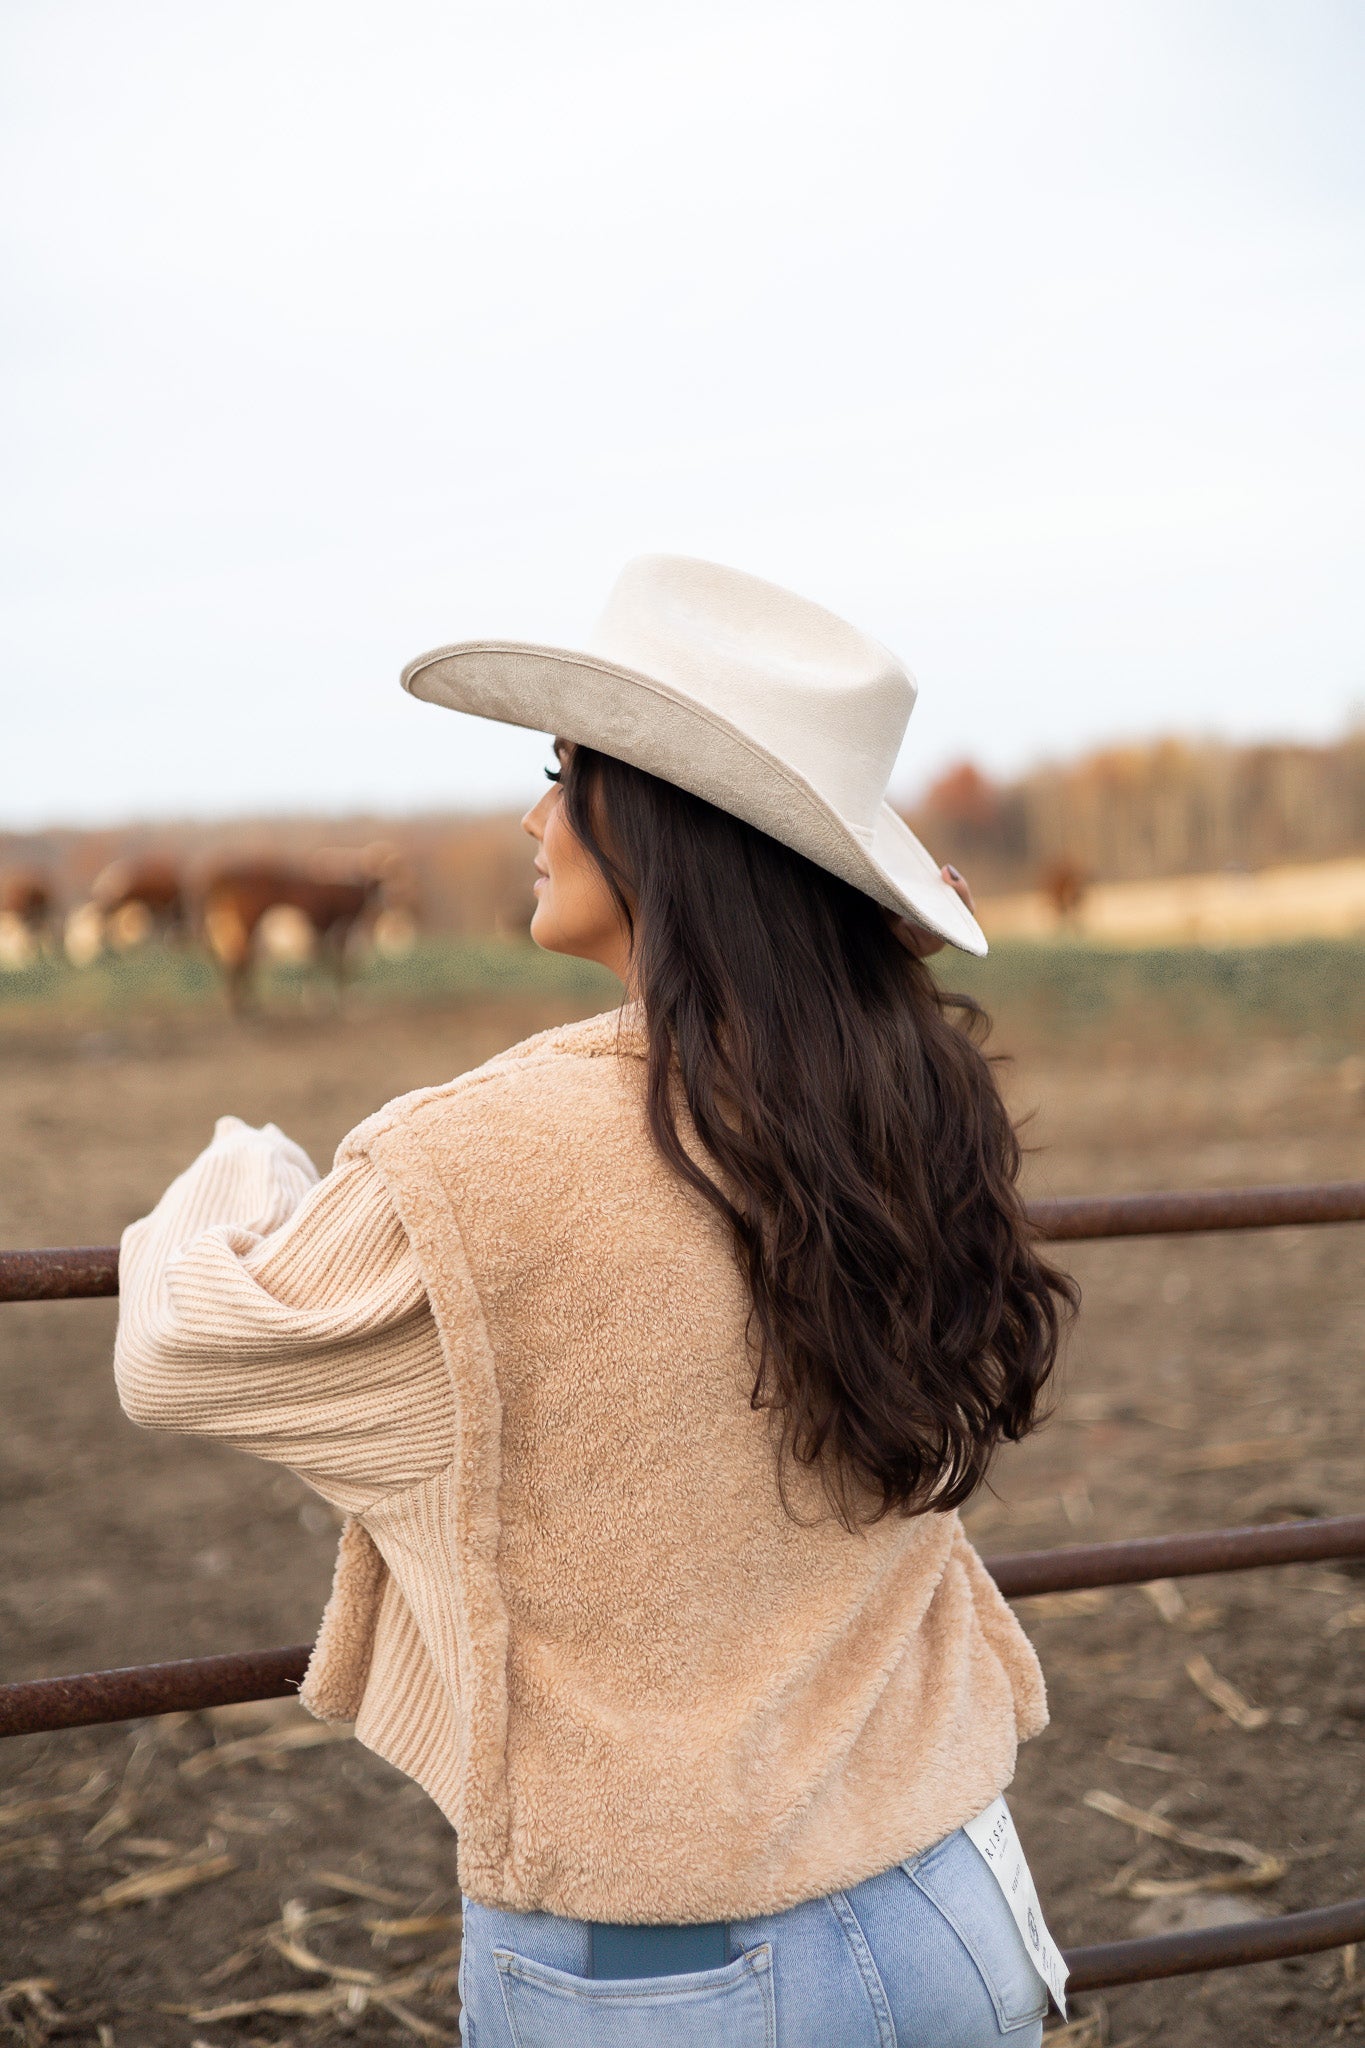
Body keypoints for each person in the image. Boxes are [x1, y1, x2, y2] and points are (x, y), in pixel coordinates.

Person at [115, 557, 1078, 2047]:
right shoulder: (905, 1104)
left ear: (663, 825)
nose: (530, 813)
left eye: (563, 772)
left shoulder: (474, 1155)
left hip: (675, 1975)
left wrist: (250, 1172)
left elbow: (188, 1349)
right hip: (956, 1895)